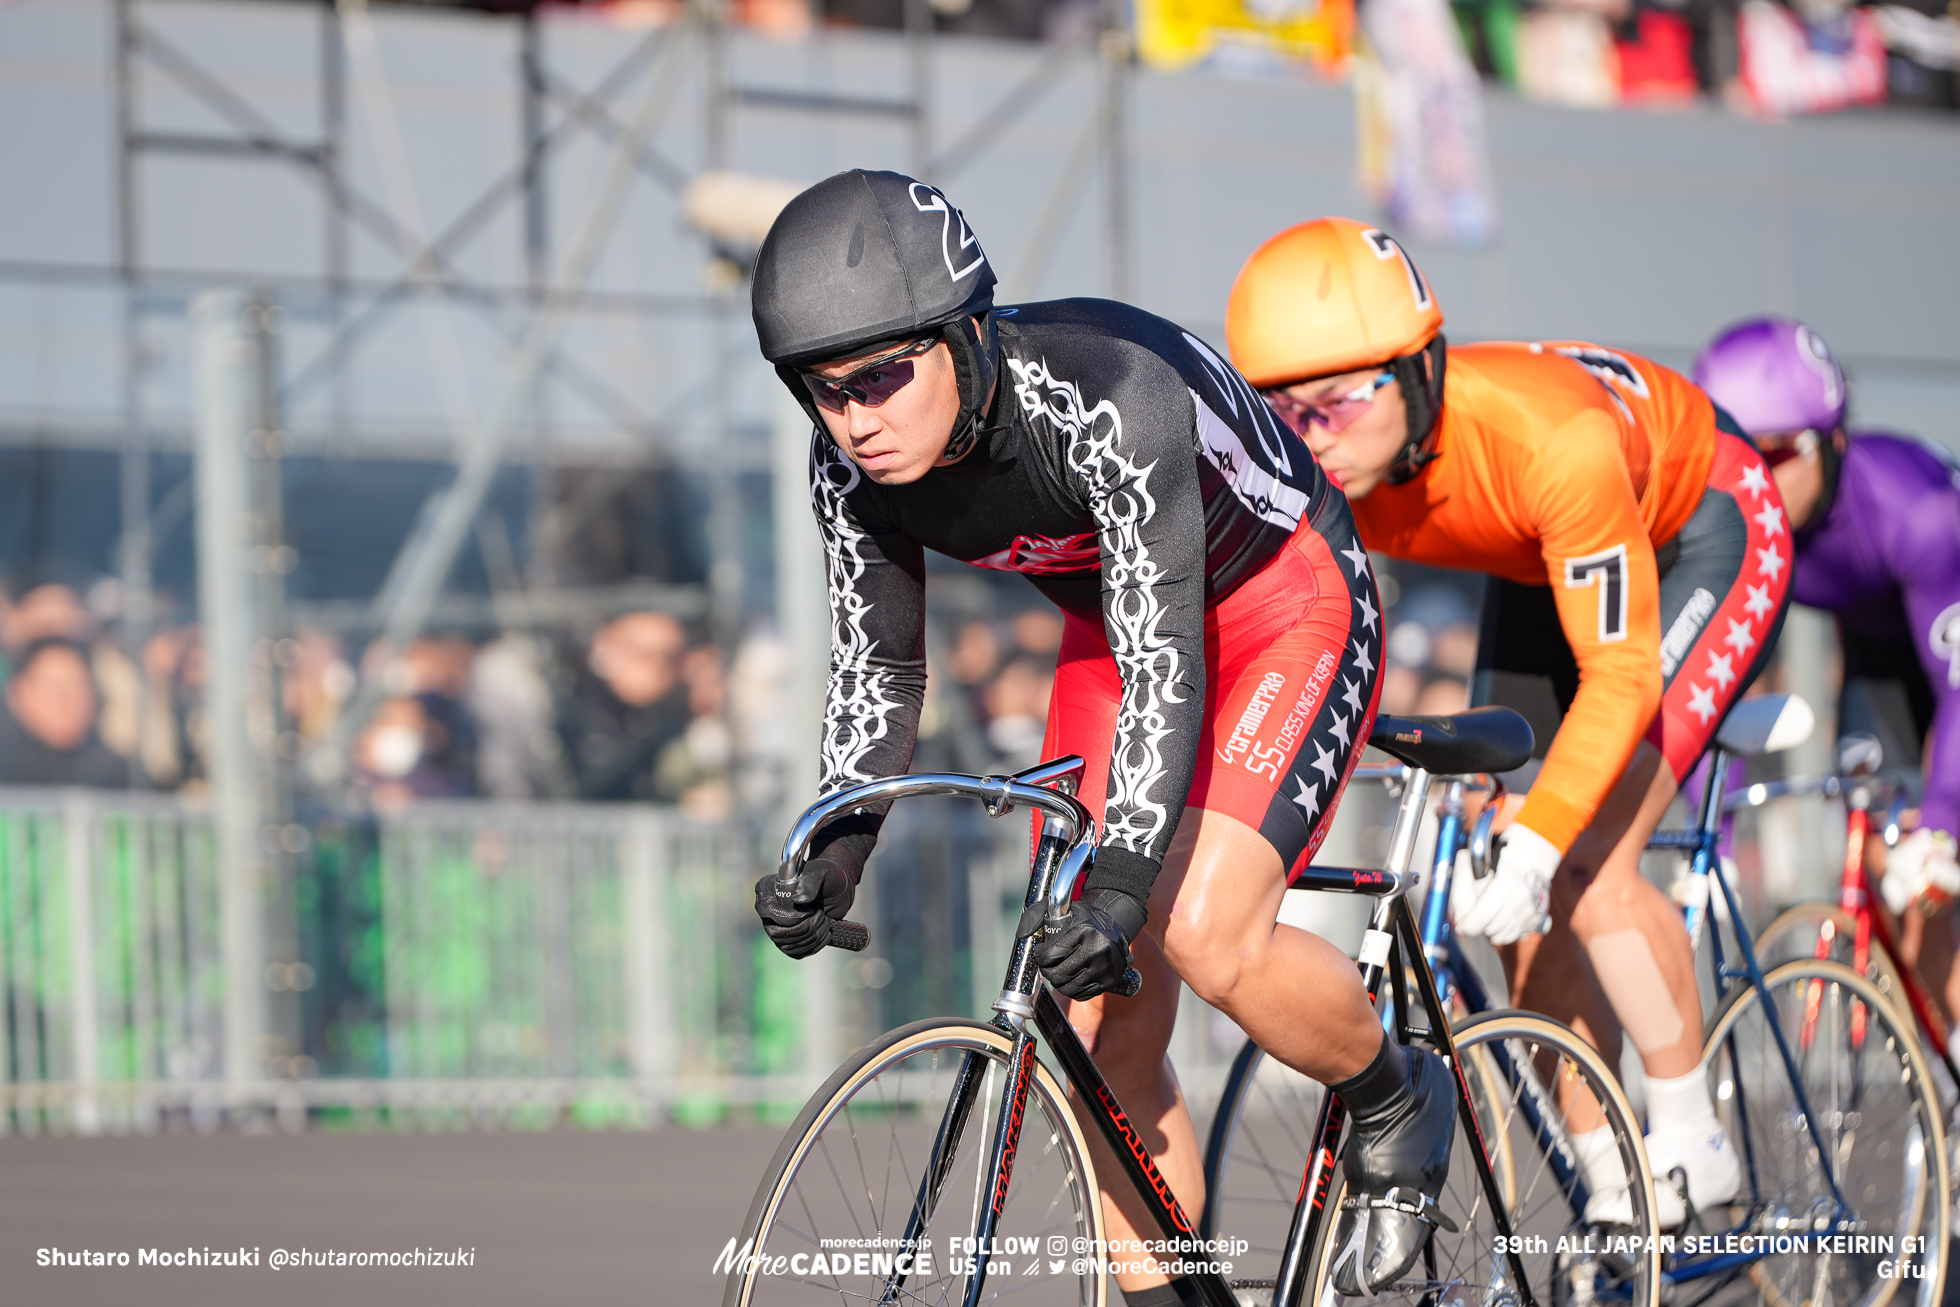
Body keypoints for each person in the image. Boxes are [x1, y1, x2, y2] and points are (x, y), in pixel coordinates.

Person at [748, 169, 1455, 1304]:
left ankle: (1396, 1088)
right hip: (1119, 632)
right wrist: (836, 850)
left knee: (1203, 930)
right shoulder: (850, 467)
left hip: (1283, 606)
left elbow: (1171, 650)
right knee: (1089, 1039)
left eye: (882, 375)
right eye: (819, 391)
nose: (855, 419)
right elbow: (880, 667)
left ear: (964, 334)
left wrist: (1124, 883)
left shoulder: (1108, 395)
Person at [1226, 217, 1795, 1227]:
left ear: (1416, 368)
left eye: (1333, 404)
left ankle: (1693, 1135)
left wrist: (1541, 838)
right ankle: (1611, 1185)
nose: (1307, 438)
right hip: (1538, 555)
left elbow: (1620, 668)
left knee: (1580, 861)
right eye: (1277, 411)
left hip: (1700, 521)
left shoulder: (1548, 441)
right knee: (1510, 883)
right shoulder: (1319, 464)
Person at [1694, 317, 1960, 1047]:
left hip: (1949, 648)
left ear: (1831, 440)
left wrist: (1944, 817)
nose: (1752, 474)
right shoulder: (1740, 523)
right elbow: (1716, 681)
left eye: (1774, 452)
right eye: (1733, 453)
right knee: (1893, 862)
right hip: (1881, 655)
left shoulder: (1917, 510)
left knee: (1937, 841)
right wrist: (1707, 829)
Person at [0, 638, 130, 788]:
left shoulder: (115, 771)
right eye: (51, 688)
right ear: (17, 691)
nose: (64, 701)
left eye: (76, 687)